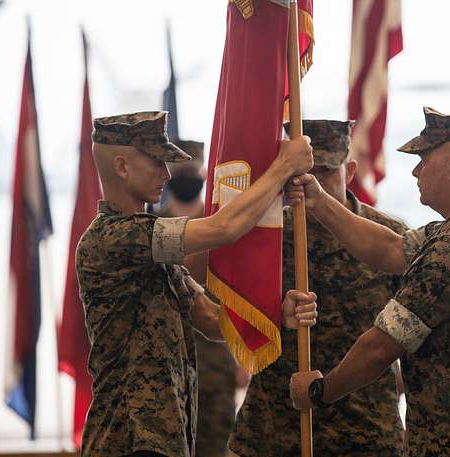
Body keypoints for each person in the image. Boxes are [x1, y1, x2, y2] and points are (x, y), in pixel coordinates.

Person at [288, 107, 450, 455]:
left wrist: (318, 391)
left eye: (424, 159)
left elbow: (379, 348)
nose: (415, 170)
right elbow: (391, 248)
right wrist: (319, 201)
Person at [76, 111, 318, 457]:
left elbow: (207, 317)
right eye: (157, 162)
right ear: (122, 167)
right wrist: (281, 168)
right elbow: (223, 229)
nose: (167, 173)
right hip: (127, 438)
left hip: (165, 435)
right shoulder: (113, 237)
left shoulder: (150, 248)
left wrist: (277, 313)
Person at [229, 120, 407, 456]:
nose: (310, 182)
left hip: (364, 425)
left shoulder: (386, 238)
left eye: (325, 171)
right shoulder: (267, 236)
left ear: (349, 171)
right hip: (278, 423)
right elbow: (229, 315)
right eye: (300, 172)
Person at [158, 139, 242, 457]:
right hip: (167, 366)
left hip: (217, 364)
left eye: (193, 170)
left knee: (216, 446)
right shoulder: (151, 229)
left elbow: (238, 294)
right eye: (181, 170)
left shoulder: (221, 229)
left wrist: (243, 357)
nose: (187, 176)